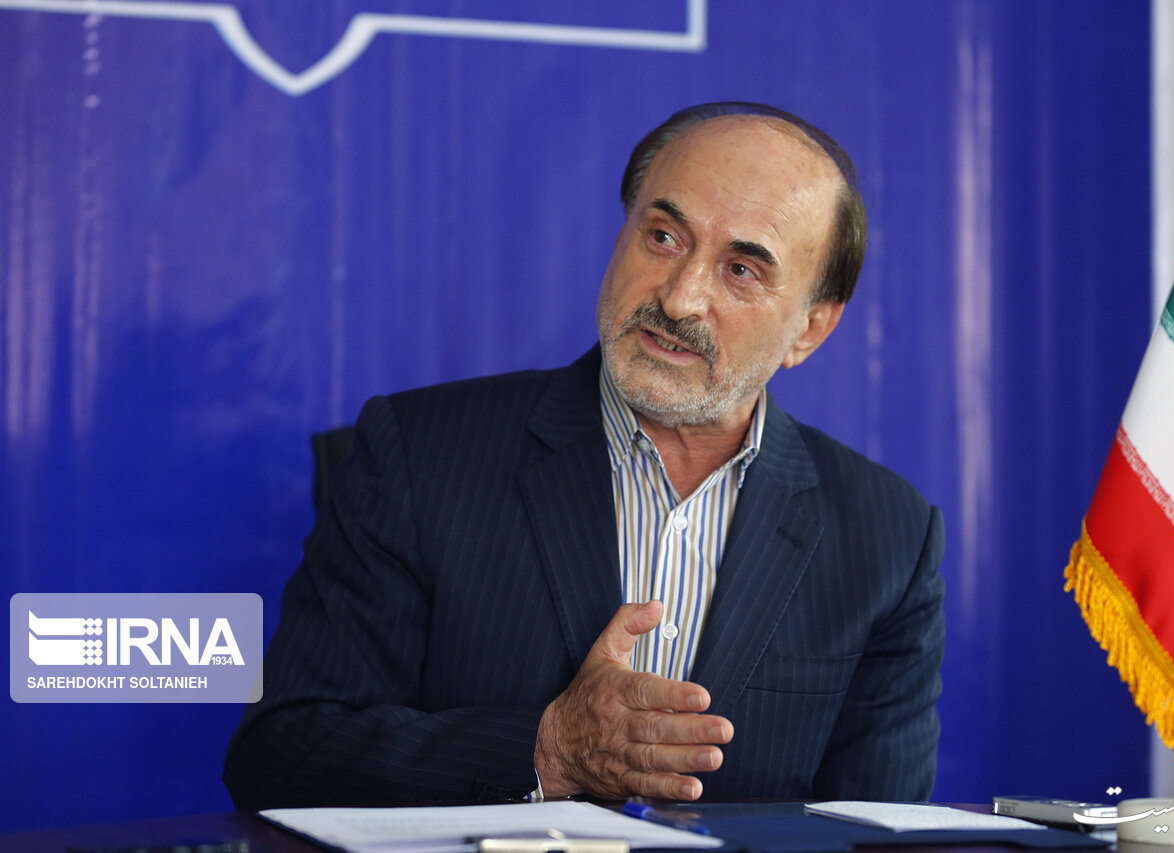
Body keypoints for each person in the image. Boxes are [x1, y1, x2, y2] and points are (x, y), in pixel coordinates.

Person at [223, 102, 945, 809]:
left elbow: (879, 829)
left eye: (741, 270)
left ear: (810, 330)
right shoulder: (418, 453)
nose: (681, 298)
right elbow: (280, 753)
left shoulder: (888, 537)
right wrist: (547, 750)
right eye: (663, 236)